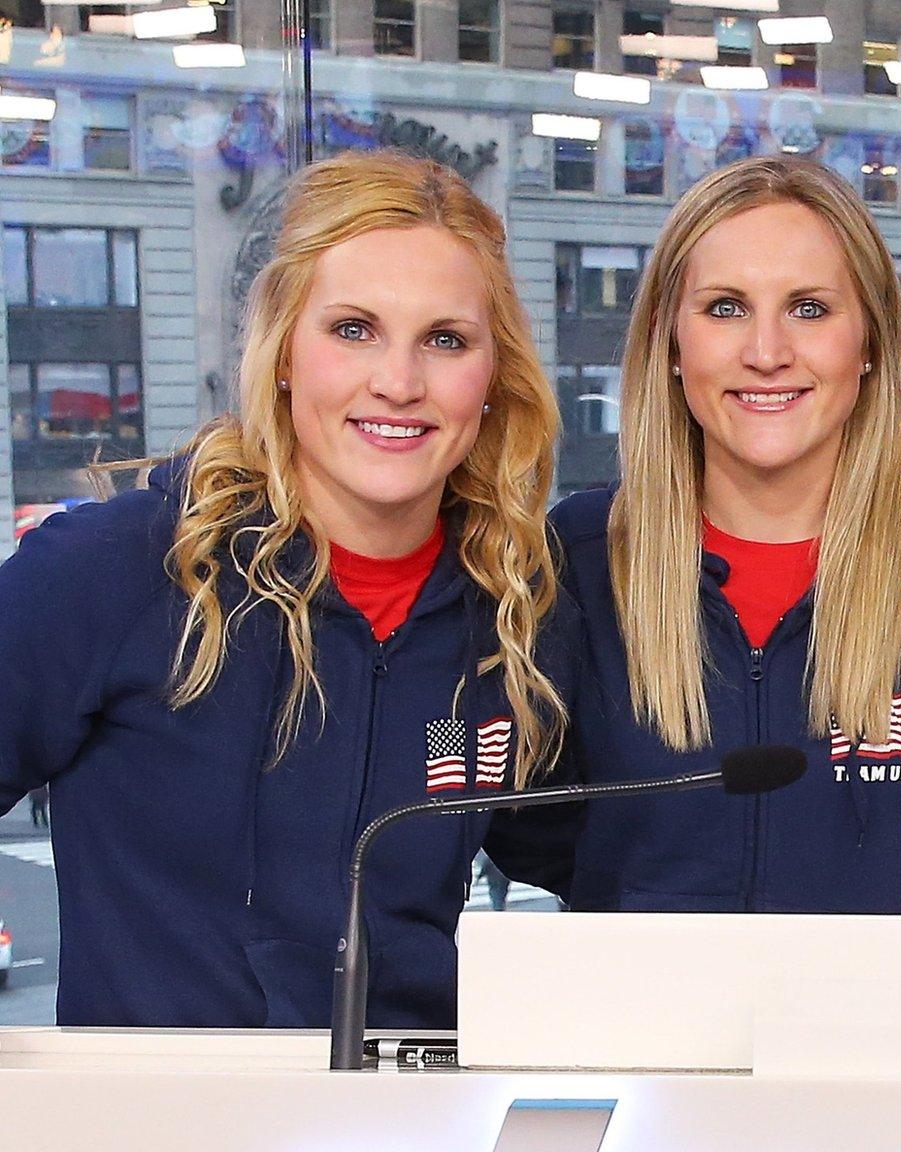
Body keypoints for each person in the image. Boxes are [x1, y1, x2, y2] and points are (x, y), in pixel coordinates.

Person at [0, 151, 566, 1028]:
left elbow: (633, 854)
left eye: (445, 340)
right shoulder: (116, 571)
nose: (399, 382)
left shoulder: (514, 618)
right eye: (353, 329)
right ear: (284, 351)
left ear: (493, 379)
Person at [487, 157, 901, 913]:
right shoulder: (578, 564)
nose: (767, 352)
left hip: (890, 1025)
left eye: (809, 309)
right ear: (671, 344)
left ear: (869, 342)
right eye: (724, 308)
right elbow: (524, 823)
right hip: (652, 1021)